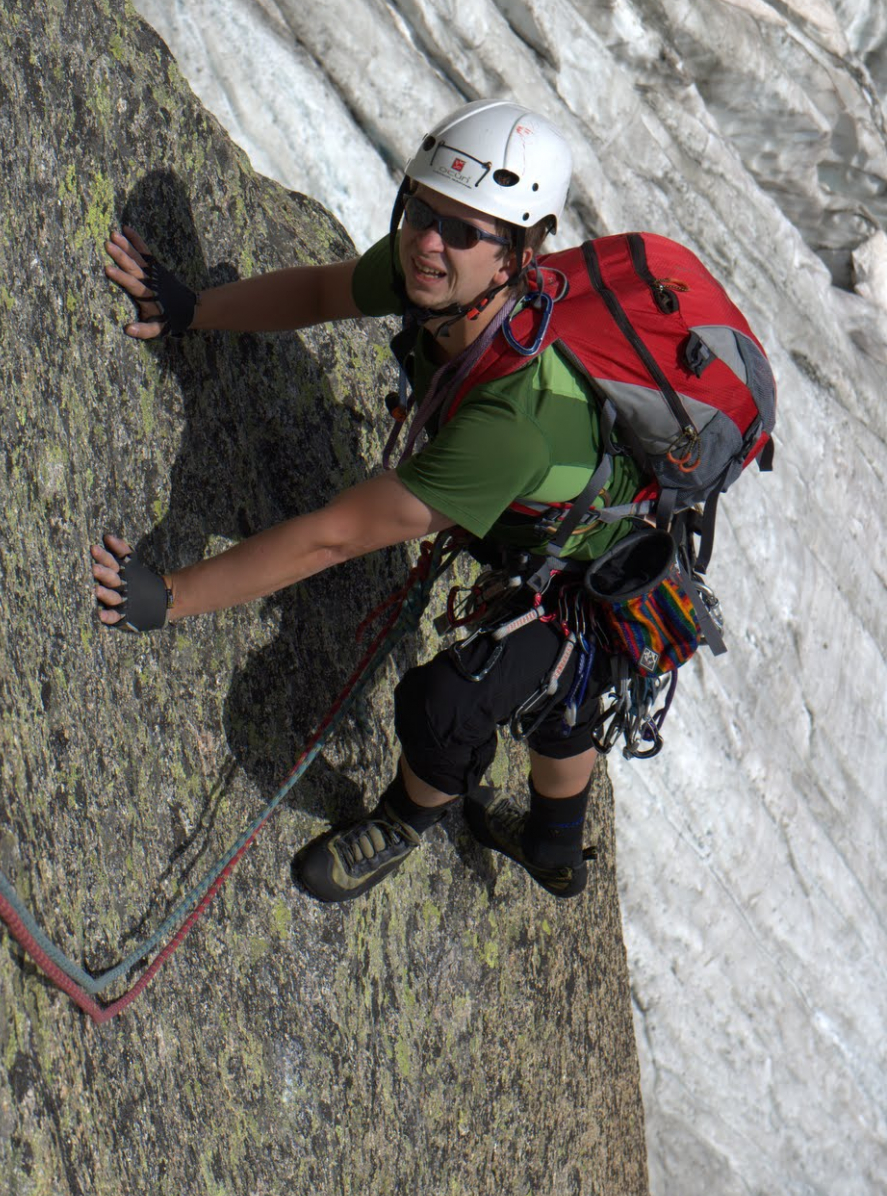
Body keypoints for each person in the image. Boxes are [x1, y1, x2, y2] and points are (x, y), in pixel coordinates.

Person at [92, 100, 644, 904]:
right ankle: (555, 847)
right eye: (423, 210)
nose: (427, 241)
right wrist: (193, 312)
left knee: (449, 698)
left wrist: (167, 597)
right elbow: (322, 292)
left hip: (593, 566)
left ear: (520, 255)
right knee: (561, 685)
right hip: (556, 518)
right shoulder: (451, 278)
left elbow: (334, 538)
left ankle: (408, 816)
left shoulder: (514, 422)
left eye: (464, 230)